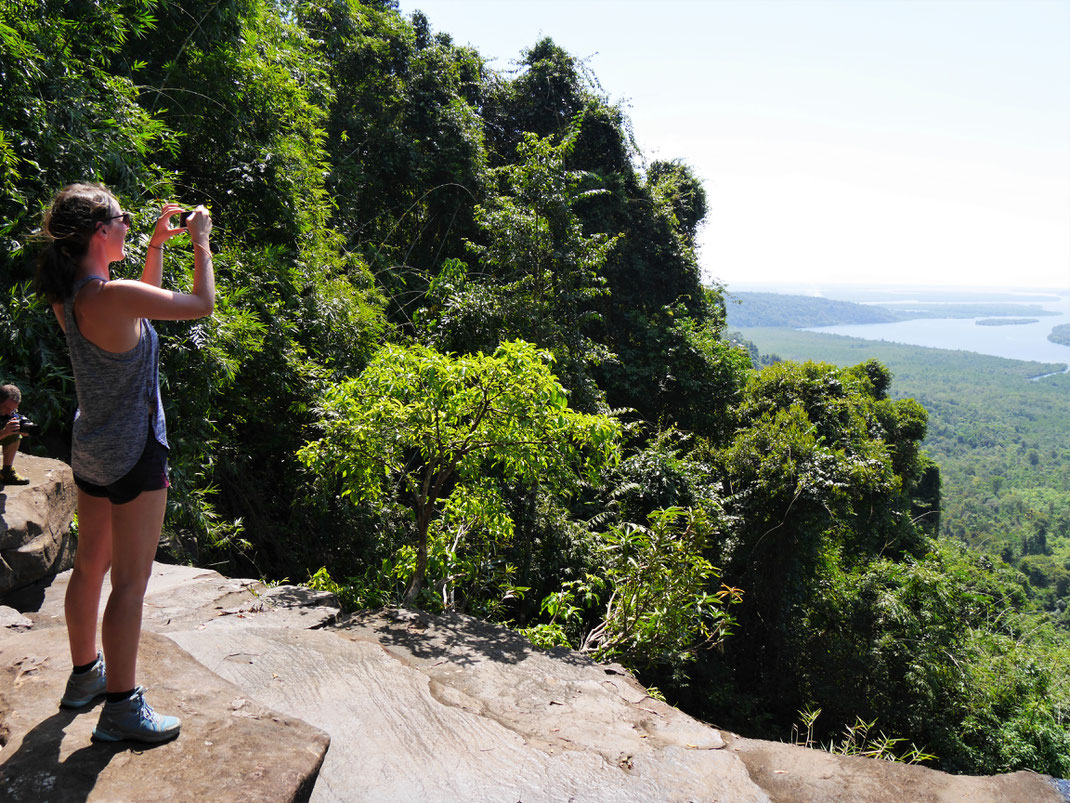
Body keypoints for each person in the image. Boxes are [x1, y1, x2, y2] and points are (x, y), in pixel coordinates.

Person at [34, 183, 214, 743]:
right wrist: (201, 244)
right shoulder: (110, 296)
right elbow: (201, 307)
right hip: (136, 452)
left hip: (92, 449)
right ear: (98, 232)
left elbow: (135, 313)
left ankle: (86, 677)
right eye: (122, 217)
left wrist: (158, 246)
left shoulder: (76, 296)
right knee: (131, 584)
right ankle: (121, 709)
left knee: (90, 568)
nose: (129, 223)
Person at [0, 384, 32, 486]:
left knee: (14, 433)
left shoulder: (9, 412)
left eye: (12, 410)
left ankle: (6, 473)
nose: (9, 413)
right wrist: (4, 432)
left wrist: (24, 429)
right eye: (7, 408)